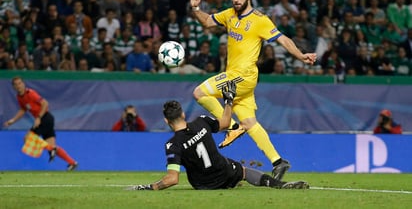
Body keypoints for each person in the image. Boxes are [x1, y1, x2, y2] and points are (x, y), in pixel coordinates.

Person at [189, 0, 317, 181]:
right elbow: (207, 21)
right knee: (249, 123)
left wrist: (301, 56)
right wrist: (196, 8)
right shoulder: (229, 14)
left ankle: (231, 127)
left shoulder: (260, 20)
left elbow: (283, 39)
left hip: (243, 75)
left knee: (199, 92)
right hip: (238, 78)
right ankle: (278, 161)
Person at [127, 81, 309, 190]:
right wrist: (228, 101)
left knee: (214, 168)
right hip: (225, 172)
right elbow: (224, 123)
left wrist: (152, 186)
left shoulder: (172, 145)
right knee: (244, 171)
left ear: (167, 121)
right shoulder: (202, 122)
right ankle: (278, 185)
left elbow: (173, 179)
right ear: (183, 114)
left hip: (202, 185)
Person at [3, 76, 78, 170]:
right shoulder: (19, 97)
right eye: (16, 84)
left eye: (20, 83)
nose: (18, 86)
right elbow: (23, 109)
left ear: (23, 84)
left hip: (45, 118)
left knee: (27, 139)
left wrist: (38, 117)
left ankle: (51, 149)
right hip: (46, 119)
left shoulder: (30, 93)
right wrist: (13, 120)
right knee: (51, 146)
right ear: (13, 87)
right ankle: (72, 163)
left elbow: (45, 103)